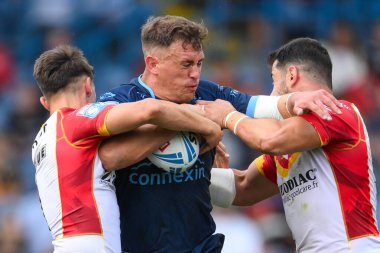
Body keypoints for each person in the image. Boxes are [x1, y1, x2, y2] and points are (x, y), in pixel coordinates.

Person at [98, 16, 343, 253]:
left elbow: (259, 106)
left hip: (201, 244)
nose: (195, 73)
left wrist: (294, 100)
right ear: (153, 64)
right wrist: (190, 121)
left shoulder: (207, 93)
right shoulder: (121, 101)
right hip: (136, 246)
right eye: (186, 64)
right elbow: (110, 158)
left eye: (199, 63)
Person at [31, 45, 223, 252]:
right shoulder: (76, 119)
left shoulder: (42, 140)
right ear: (88, 86)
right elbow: (151, 109)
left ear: (44, 102)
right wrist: (207, 126)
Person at [204, 38, 380, 253]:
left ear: (291, 75)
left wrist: (228, 116)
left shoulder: (337, 111)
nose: (271, 94)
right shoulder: (290, 144)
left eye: (274, 80)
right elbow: (243, 187)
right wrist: (185, 173)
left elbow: (270, 140)